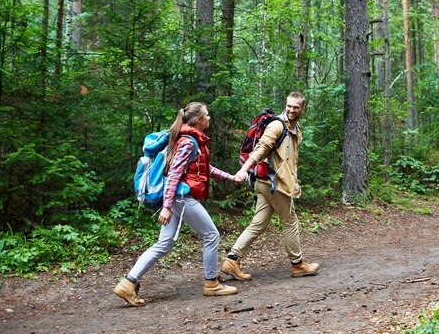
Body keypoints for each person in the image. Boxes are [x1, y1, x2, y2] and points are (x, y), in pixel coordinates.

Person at [114, 102, 240, 307]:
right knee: (211, 234)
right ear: (197, 119)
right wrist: (166, 206)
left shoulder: (191, 140)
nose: (209, 118)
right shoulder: (189, 142)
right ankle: (212, 283)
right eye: (207, 115)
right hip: (181, 198)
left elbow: (204, 169)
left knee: (164, 244)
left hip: (177, 198)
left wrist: (231, 177)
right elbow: (173, 175)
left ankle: (128, 283)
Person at [221, 92, 319, 280]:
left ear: (302, 109)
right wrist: (244, 169)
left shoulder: (295, 128)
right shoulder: (276, 125)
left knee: (258, 223)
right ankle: (298, 264)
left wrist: (294, 181)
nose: (291, 109)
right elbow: (262, 148)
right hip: (274, 184)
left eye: (295, 107)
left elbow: (290, 160)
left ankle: (232, 260)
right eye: (289, 105)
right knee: (290, 222)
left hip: (268, 183)